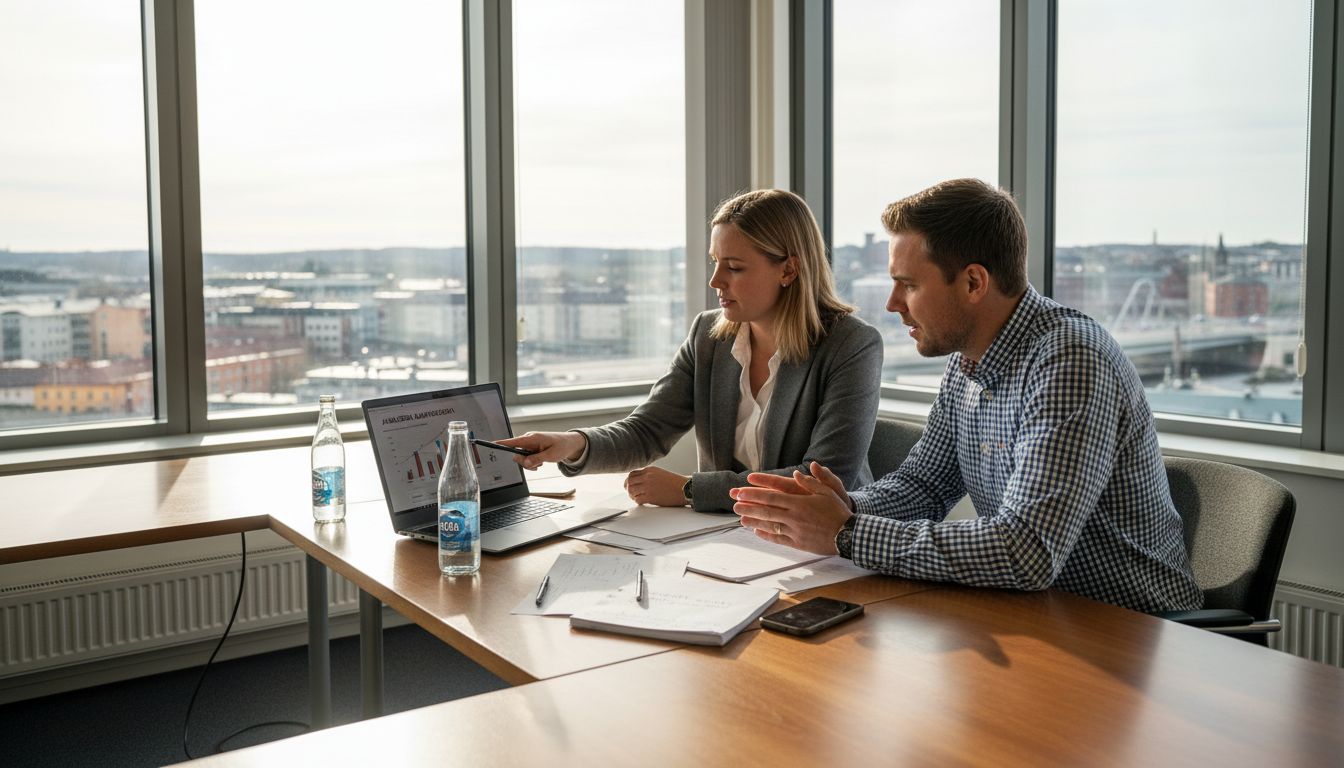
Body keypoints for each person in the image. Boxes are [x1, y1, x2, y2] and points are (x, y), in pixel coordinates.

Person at [730, 178, 1201, 613]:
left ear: (974, 282)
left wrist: (848, 532)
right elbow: (924, 485)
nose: (892, 304)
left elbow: (1026, 552)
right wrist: (847, 508)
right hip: (1039, 615)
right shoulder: (968, 361)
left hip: (1137, 630)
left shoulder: (1070, 360)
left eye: (909, 285)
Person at [500, 189, 883, 512]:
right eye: (716, 263)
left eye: (734, 267)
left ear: (788, 270)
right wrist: (573, 443)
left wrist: (689, 489)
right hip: (725, 538)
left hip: (821, 545)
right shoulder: (708, 336)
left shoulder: (852, 345)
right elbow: (647, 430)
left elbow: (821, 479)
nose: (715, 281)